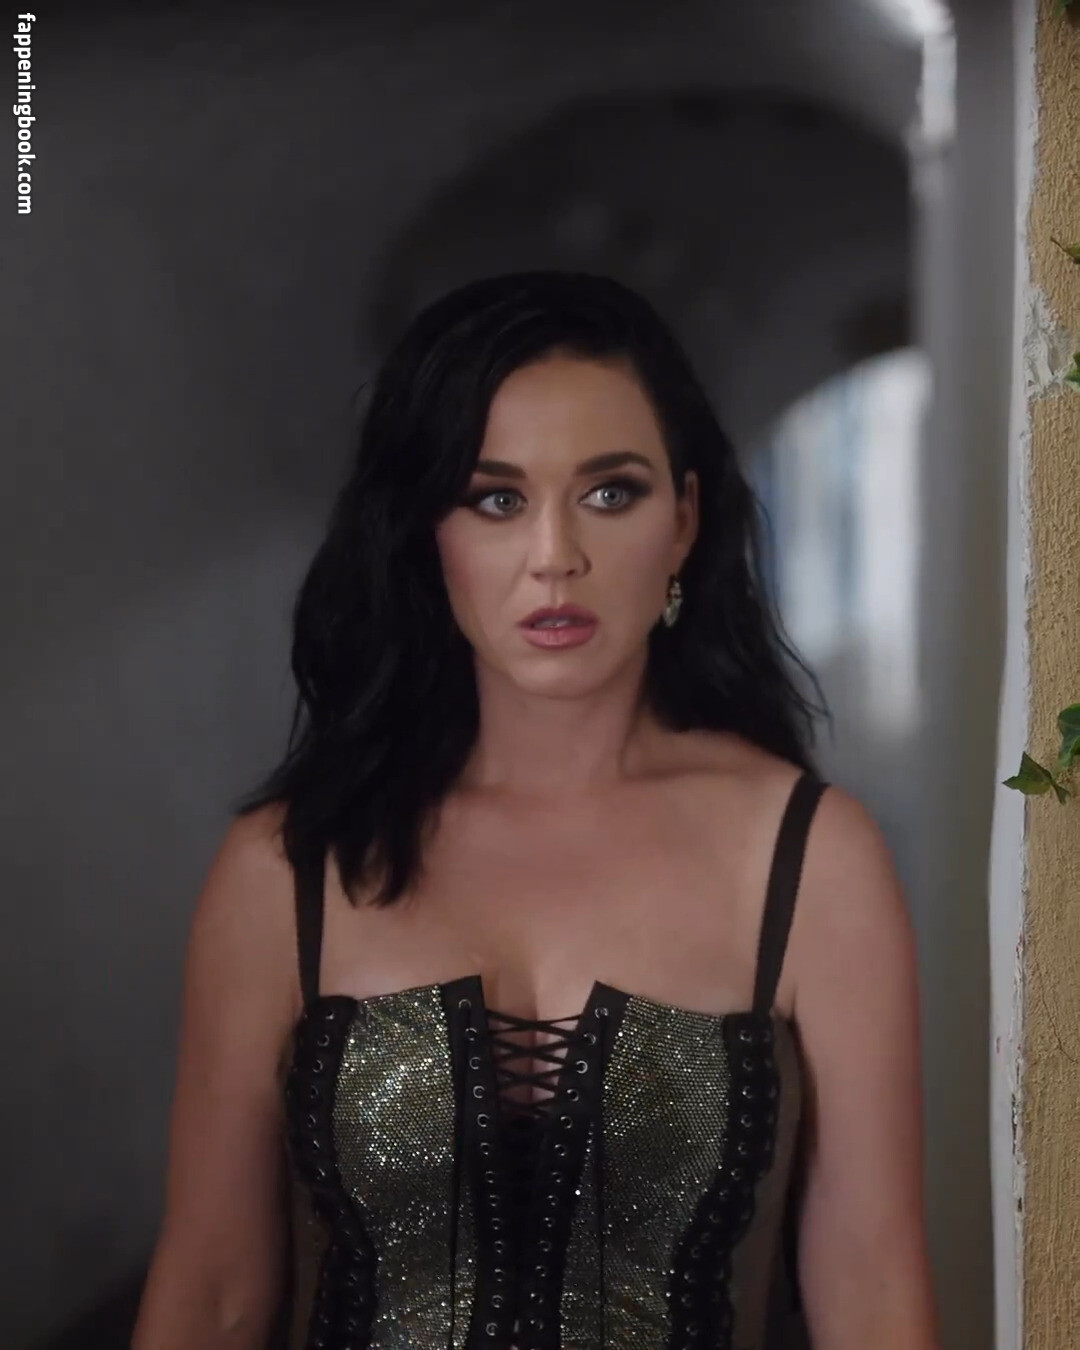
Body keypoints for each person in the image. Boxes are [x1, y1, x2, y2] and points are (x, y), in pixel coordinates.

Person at [131, 270, 940, 1350]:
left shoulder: (808, 857)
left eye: (610, 493)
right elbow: (212, 1298)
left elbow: (874, 1295)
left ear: (685, 521)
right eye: (497, 499)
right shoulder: (287, 868)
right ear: (428, 533)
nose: (556, 556)